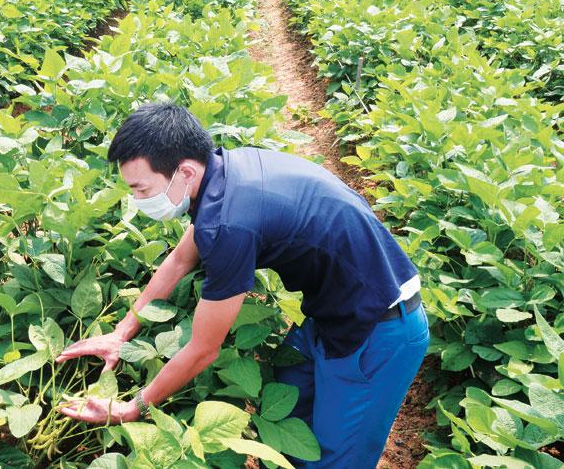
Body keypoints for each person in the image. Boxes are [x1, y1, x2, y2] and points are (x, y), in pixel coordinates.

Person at [56, 103, 429, 467]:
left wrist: (132, 407)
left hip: (379, 330)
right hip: (336, 310)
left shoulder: (229, 225)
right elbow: (181, 258)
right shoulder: (223, 170)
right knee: (289, 408)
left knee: (333, 457)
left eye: (141, 189)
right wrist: (121, 332)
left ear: (184, 171)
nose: (138, 201)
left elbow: (204, 349)